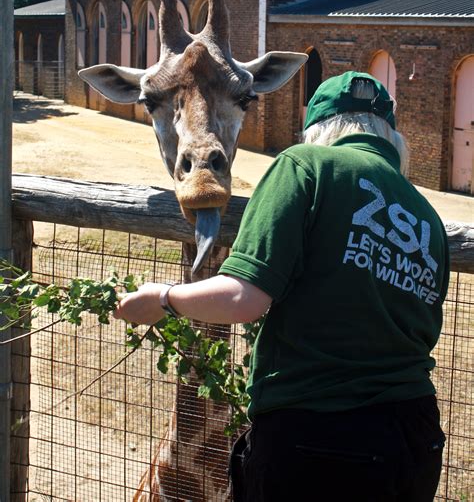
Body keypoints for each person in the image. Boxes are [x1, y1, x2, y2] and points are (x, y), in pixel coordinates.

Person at [114, 71, 450, 502]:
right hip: (415, 439)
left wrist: (162, 299)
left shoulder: (306, 165)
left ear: (318, 128)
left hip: (318, 438)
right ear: (391, 135)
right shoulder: (427, 217)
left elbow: (243, 297)